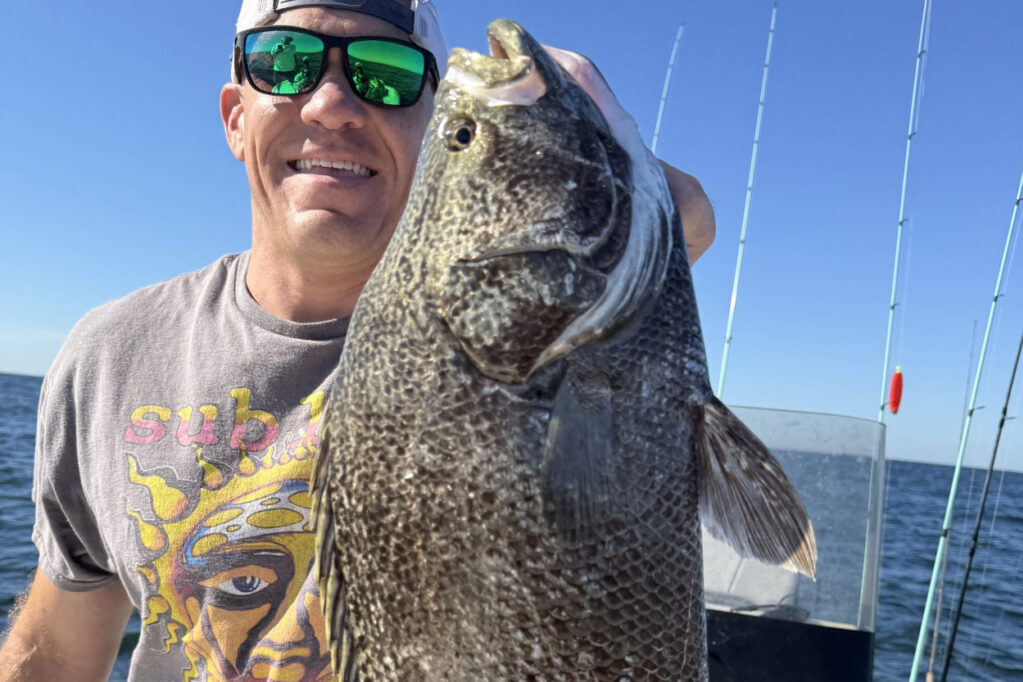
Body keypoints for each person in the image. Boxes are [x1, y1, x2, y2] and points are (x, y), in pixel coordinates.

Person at [0, 1, 715, 680]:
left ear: (429, 132)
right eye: (284, 61)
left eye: (387, 73)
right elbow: (55, 651)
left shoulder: (574, 335)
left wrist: (622, 192)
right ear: (235, 119)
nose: (332, 103)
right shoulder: (109, 358)